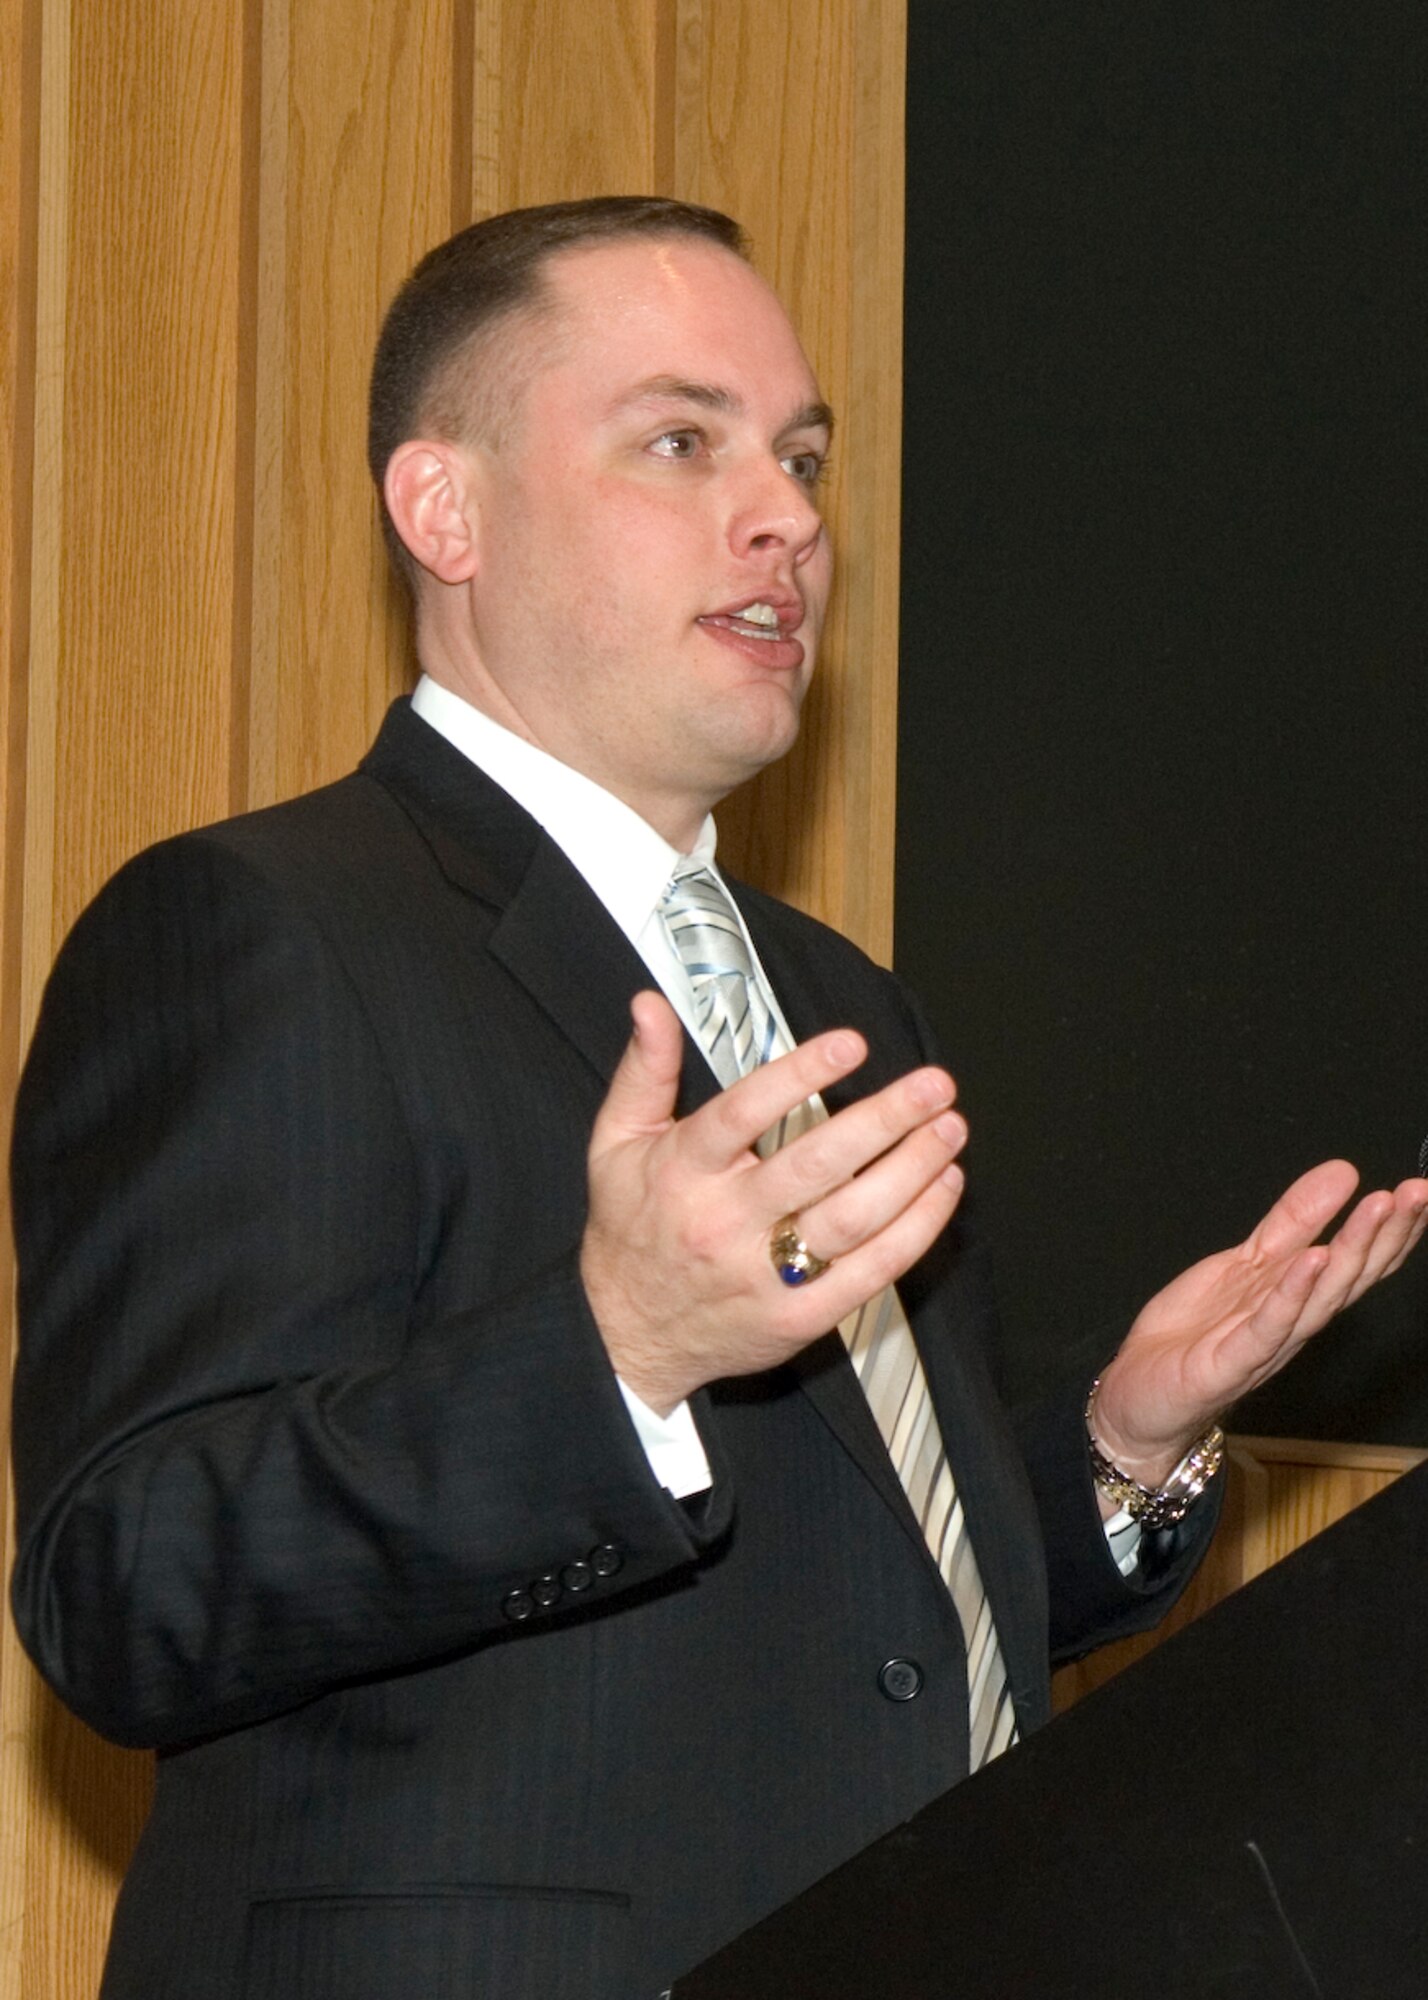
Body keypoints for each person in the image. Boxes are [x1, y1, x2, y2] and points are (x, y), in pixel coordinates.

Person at [9, 197, 1425, 2000]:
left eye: (804, 456)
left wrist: (1116, 1451)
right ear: (444, 507)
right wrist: (614, 1352)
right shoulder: (262, 926)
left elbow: (874, 1647)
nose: (788, 519)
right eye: (682, 442)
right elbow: (125, 1588)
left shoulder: (838, 997)